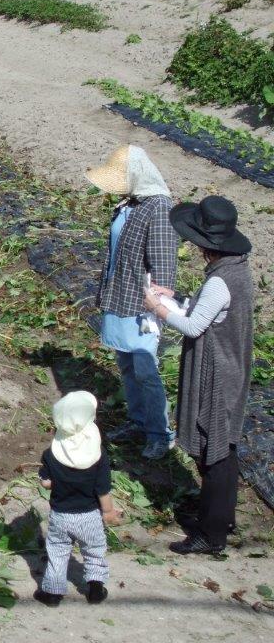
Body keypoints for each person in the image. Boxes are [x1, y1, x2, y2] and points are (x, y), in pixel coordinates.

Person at [143, 196, 254, 556]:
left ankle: (210, 535)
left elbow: (193, 327)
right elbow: (212, 310)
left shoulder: (221, 281)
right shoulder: (236, 269)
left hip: (217, 373)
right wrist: (176, 296)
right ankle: (222, 518)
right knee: (225, 447)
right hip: (232, 367)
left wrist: (159, 308)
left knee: (215, 452)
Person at [87, 145, 178, 460]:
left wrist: (159, 306)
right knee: (126, 365)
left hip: (142, 303)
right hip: (120, 294)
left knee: (145, 368)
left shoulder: (159, 208)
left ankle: (160, 434)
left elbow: (164, 264)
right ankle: (137, 420)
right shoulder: (131, 203)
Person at [35, 391, 122, 607]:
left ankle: (53, 594)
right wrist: (109, 512)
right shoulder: (98, 454)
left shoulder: (50, 454)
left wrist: (51, 480)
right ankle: (95, 589)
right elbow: (103, 490)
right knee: (94, 552)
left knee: (57, 553)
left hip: (61, 516)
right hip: (90, 516)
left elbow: (46, 483)